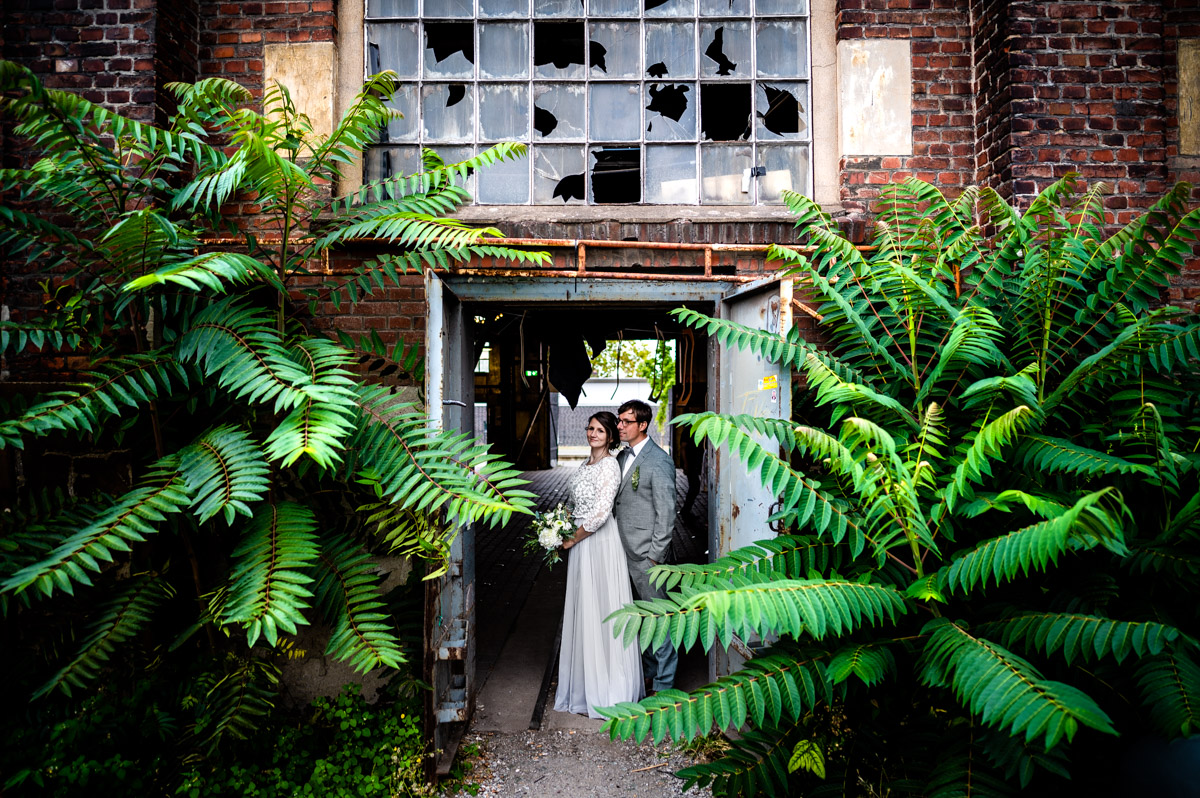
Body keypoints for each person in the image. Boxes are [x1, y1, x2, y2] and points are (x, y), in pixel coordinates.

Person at [553, 411, 644, 717]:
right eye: (590, 428)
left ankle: (609, 688)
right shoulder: (584, 464)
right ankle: (584, 684)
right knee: (584, 610)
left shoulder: (609, 467)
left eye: (600, 431)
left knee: (602, 609)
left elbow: (601, 513)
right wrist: (558, 526)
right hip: (580, 544)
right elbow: (576, 505)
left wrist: (572, 538)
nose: (593, 434)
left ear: (610, 437)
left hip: (599, 545)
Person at [611, 399, 679, 694]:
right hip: (622, 550)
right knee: (642, 618)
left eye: (627, 422)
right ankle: (650, 673)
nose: (620, 427)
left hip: (646, 556)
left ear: (642, 425)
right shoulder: (623, 457)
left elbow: (667, 514)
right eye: (619, 421)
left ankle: (664, 686)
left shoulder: (659, 461)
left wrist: (655, 556)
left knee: (660, 620)